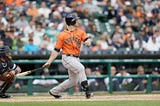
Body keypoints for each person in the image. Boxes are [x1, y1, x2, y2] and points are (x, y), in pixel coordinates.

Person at [42, 13, 92, 99]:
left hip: (76, 58)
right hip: (67, 58)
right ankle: (87, 90)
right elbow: (56, 50)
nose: (78, 21)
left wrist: (88, 41)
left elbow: (87, 39)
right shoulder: (62, 35)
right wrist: (49, 61)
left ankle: (54, 91)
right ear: (72, 21)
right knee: (81, 68)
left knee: (73, 81)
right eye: (76, 20)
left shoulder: (80, 32)